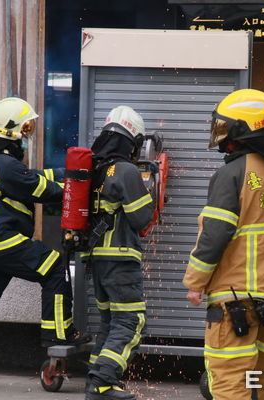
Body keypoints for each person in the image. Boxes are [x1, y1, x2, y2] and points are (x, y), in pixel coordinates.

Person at [0, 97, 90, 389]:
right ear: (11, 131)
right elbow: (44, 189)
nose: (27, 137)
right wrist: (76, 189)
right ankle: (58, 337)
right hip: (2, 243)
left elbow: (32, 178)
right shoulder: (5, 165)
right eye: (26, 129)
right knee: (54, 268)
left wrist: (73, 175)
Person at [182, 89, 264, 400]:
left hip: (237, 299)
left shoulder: (232, 173)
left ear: (241, 129)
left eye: (224, 126)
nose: (219, 134)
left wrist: (195, 282)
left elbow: (214, 234)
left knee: (230, 380)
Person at [83, 106, 154, 400]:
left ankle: (95, 380)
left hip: (98, 259)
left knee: (110, 322)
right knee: (130, 320)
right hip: (121, 258)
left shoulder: (95, 168)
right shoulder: (125, 170)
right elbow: (141, 219)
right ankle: (102, 382)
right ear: (132, 142)